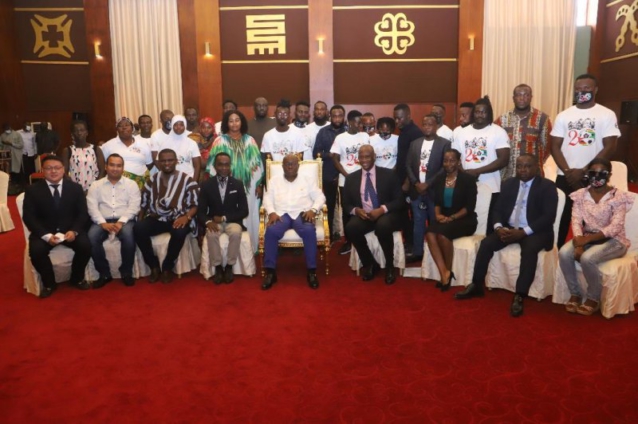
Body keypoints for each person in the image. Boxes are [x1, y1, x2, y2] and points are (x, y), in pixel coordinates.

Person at [455, 154, 558, 318]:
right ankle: (476, 285)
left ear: (536, 168)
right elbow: (497, 210)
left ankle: (520, 295)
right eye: (519, 166)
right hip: (509, 228)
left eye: (527, 166)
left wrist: (523, 232)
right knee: (486, 244)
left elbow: (548, 217)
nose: (523, 170)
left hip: (534, 231)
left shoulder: (547, 186)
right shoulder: (509, 183)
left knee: (529, 250)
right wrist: (498, 228)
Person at [550, 74, 620, 247]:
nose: (582, 92)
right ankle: (557, 253)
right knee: (561, 217)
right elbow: (555, 147)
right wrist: (569, 172)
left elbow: (610, 146)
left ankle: (589, 252)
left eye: (586, 88)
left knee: (592, 219)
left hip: (593, 176)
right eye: (578, 89)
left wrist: (584, 171)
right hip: (565, 176)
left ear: (595, 90)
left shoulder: (606, 114)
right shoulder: (564, 115)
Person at [559, 158, 634, 316]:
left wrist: (585, 241)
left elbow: (615, 227)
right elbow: (576, 221)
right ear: (588, 174)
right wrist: (579, 243)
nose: (597, 177)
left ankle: (593, 298)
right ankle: (575, 293)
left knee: (587, 258)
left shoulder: (618, 197)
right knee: (564, 253)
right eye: (593, 173)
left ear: (609, 175)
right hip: (588, 238)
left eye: (602, 173)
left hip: (614, 241)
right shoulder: (580, 195)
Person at [22, 155, 92, 298]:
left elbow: (83, 214)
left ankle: (77, 278)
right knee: (36, 251)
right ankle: (49, 284)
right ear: (42, 170)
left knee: (85, 246)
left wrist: (74, 231)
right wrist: (46, 236)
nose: (53, 171)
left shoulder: (75, 188)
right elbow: (29, 217)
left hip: (69, 231)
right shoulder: (32, 190)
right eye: (49, 168)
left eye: (57, 168)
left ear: (63, 169)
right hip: (45, 232)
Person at [261, 154, 326, 290]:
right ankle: (270, 272)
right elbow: (267, 198)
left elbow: (320, 197)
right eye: (287, 164)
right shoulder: (274, 180)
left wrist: (313, 210)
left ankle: (312, 271)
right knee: (271, 231)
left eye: (293, 164)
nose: (290, 166)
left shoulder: (307, 179)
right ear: (282, 166)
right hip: (281, 214)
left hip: (302, 213)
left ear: (298, 165)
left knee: (309, 230)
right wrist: (272, 212)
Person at [134, 149, 199, 284]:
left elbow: (195, 205)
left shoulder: (187, 180)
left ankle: (167, 267)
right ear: (159, 162)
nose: (167, 163)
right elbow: (144, 202)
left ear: (176, 161)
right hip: (157, 217)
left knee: (179, 232)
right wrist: (140, 220)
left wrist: (186, 217)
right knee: (138, 229)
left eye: (170, 160)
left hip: (179, 217)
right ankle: (153, 266)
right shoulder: (153, 179)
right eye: (163, 161)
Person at [343, 145, 405, 285]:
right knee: (351, 228)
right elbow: (346, 204)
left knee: (383, 225)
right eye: (361, 157)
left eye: (367, 157)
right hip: (365, 215)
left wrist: (382, 209)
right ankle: (370, 264)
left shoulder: (389, 175)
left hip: (385, 214)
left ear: (374, 157)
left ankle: (390, 266)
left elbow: (400, 200)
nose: (364, 160)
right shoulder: (351, 178)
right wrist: (356, 211)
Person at [207, 110, 264, 251]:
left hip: (249, 186)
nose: (234, 123)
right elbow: (213, 165)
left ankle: (250, 247)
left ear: (242, 122)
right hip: (225, 186)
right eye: (231, 121)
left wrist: (259, 184)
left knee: (249, 212)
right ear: (226, 123)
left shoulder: (250, 140)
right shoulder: (219, 141)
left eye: (237, 120)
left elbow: (258, 165)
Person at [453, 96, 510, 234]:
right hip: (466, 185)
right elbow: (454, 157)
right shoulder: (462, 133)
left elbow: (503, 160)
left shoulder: (498, 132)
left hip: (491, 186)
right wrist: (465, 173)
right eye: (477, 112)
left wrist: (477, 171)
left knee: (489, 225)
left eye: (484, 112)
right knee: (466, 221)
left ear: (489, 113)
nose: (480, 115)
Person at [426, 149, 478, 291]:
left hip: (465, 219)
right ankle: (445, 272)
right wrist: (438, 215)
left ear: (458, 162)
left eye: (452, 160)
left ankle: (447, 272)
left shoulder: (468, 180)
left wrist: (452, 218)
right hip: (444, 218)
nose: (448, 163)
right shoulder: (439, 179)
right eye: (445, 160)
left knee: (443, 235)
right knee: (430, 233)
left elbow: (469, 207)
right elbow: (437, 202)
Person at [86, 154, 141, 288]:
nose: (115, 168)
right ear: (106, 167)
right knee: (91, 238)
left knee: (128, 236)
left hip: (125, 220)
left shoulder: (131, 184)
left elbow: (134, 206)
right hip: (102, 220)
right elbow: (92, 207)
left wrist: (121, 222)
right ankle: (104, 273)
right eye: (112, 165)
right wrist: (102, 223)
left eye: (118, 166)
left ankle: (126, 272)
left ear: (123, 168)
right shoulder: (96, 185)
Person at [405, 114, 451, 263]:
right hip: (417, 191)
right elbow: (408, 165)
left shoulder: (444, 144)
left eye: (430, 124)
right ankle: (418, 252)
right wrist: (416, 183)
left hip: (434, 191)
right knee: (418, 222)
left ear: (436, 126)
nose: (427, 127)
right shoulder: (415, 143)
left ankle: (435, 254)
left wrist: (428, 184)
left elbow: (444, 168)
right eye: (424, 124)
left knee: (434, 222)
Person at [199, 152, 249, 285]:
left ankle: (229, 266)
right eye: (220, 165)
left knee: (236, 232)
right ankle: (218, 267)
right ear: (215, 166)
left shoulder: (238, 184)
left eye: (227, 165)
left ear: (230, 165)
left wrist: (224, 218)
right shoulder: (206, 185)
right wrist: (208, 222)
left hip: (232, 221)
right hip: (214, 222)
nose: (224, 168)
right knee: (211, 234)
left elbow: (244, 210)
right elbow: (201, 211)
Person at [331, 110, 370, 255]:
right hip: (346, 180)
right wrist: (346, 174)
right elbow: (334, 159)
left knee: (364, 207)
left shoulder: (365, 136)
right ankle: (348, 241)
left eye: (361, 123)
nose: (360, 125)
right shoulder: (340, 138)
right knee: (347, 211)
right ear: (349, 122)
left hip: (364, 178)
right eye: (357, 122)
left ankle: (363, 238)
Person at [495, 84, 552, 180]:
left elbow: (548, 147)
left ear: (531, 97)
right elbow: (495, 146)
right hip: (507, 175)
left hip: (533, 176)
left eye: (526, 95)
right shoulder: (502, 119)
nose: (522, 98)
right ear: (513, 98)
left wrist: (534, 164)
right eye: (518, 95)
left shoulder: (542, 119)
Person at [313, 105, 346, 244]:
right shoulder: (323, 132)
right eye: (334, 116)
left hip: (346, 175)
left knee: (347, 207)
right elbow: (316, 153)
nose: (337, 119)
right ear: (330, 117)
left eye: (340, 116)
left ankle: (347, 238)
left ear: (343, 117)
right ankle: (330, 236)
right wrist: (329, 155)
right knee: (330, 207)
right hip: (328, 175)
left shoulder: (348, 132)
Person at [394, 103, 424, 254]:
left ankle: (414, 245)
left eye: (400, 118)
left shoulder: (415, 133)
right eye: (395, 118)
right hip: (402, 180)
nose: (397, 121)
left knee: (412, 215)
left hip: (410, 183)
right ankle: (409, 242)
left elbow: (415, 161)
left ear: (408, 116)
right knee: (404, 214)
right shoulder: (404, 132)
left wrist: (407, 182)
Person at [101, 117, 154, 189]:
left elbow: (149, 163)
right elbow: (103, 165)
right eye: (120, 126)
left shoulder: (143, 143)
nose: (124, 127)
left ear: (132, 128)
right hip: (118, 185)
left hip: (141, 184)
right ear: (117, 129)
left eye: (127, 125)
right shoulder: (108, 145)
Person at [62, 120, 105, 192]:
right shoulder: (68, 151)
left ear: (87, 132)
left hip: (94, 189)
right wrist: (73, 187)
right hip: (74, 190)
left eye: (82, 130)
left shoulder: (96, 149)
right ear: (72, 134)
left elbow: (102, 170)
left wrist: (95, 187)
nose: (79, 133)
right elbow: (64, 172)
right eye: (76, 131)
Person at [154, 115, 201, 179]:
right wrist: (165, 174)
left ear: (185, 126)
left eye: (181, 125)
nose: (178, 127)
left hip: (188, 178)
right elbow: (158, 160)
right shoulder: (165, 142)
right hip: (170, 178)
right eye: (175, 125)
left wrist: (194, 182)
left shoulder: (192, 143)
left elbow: (197, 166)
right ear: (172, 126)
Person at [188, 116, 216, 182]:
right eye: (203, 127)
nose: (206, 130)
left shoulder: (217, 140)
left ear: (213, 129)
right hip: (198, 174)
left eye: (209, 128)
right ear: (200, 128)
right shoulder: (195, 138)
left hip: (213, 174)